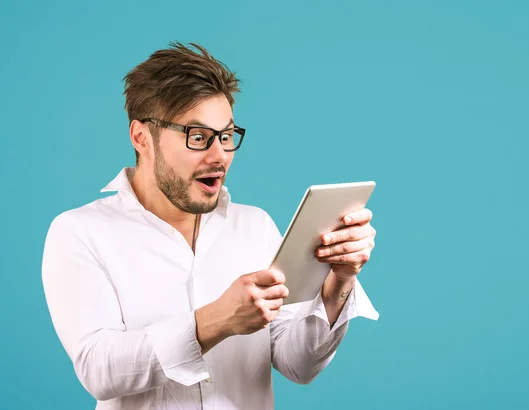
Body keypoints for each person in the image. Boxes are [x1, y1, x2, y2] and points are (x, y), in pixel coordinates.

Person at [41, 42, 379, 410]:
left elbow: (299, 365)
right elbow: (98, 369)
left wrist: (338, 283)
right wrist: (217, 320)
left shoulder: (255, 226)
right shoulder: (80, 232)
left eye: (227, 136)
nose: (220, 155)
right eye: (198, 137)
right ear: (141, 138)